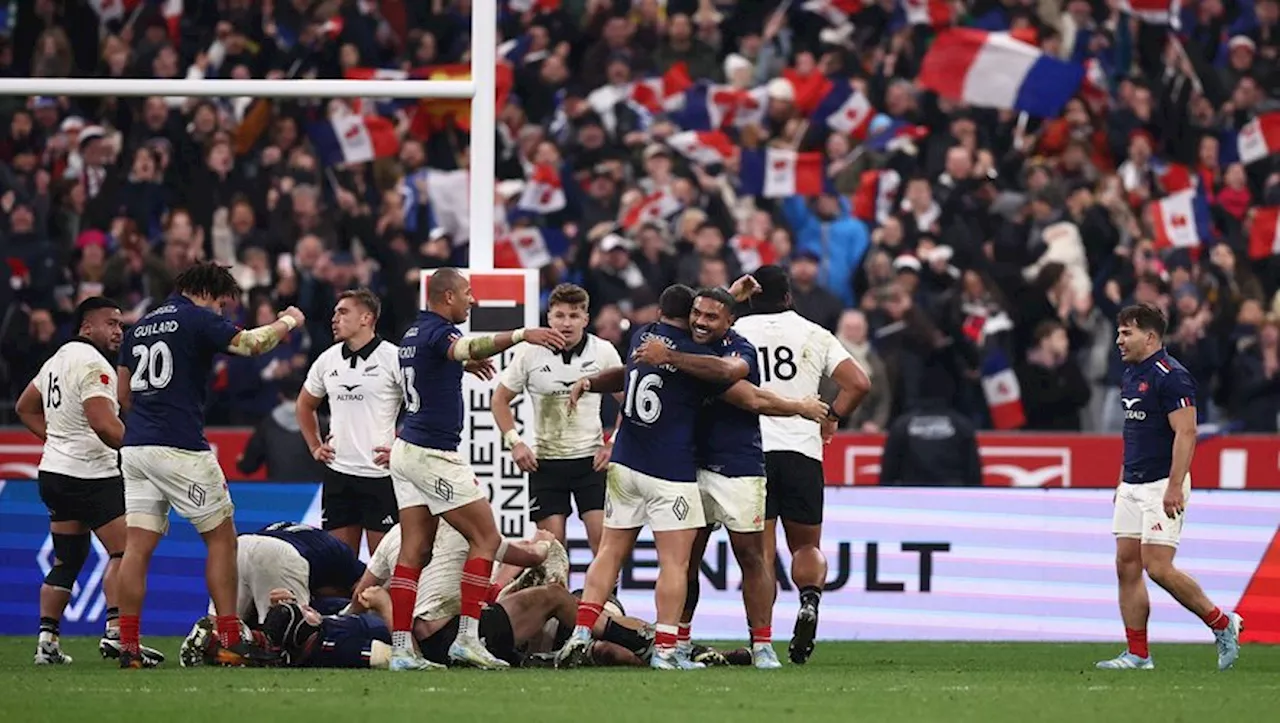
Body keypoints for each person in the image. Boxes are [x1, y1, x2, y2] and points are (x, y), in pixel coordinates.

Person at [557, 285, 829, 670]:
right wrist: (596, 381)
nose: (701, 321)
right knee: (683, 561)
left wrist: (800, 407)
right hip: (683, 469)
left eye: (711, 317)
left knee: (751, 556)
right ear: (688, 314)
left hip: (736, 465)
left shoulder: (722, 348)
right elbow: (641, 364)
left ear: (729, 320)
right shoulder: (684, 345)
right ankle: (674, 643)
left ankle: (761, 644)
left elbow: (745, 391)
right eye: (696, 314)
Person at [114, 261, 303, 668]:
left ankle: (127, 645)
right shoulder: (196, 318)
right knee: (222, 540)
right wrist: (288, 320)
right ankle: (231, 638)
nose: (221, 313)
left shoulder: (140, 327)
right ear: (208, 294)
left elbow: (122, 393)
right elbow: (253, 344)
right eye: (222, 304)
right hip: (179, 446)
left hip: (136, 448)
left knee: (137, 548)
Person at [386, 267, 568, 671]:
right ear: (447, 296)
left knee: (414, 551)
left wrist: (457, 367)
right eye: (468, 294)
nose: (473, 301)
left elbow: (436, 364)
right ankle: (467, 639)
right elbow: (465, 346)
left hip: (405, 451)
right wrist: (523, 334)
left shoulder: (414, 334)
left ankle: (400, 649)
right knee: (485, 537)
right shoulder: (437, 332)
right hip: (432, 453)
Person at [731, 265, 871, 665]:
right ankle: (809, 599)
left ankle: (762, 642)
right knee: (806, 546)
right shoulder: (815, 333)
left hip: (752, 450)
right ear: (789, 297)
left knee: (760, 557)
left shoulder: (738, 331)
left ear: (752, 296)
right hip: (802, 452)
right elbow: (859, 383)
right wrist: (832, 417)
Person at [14, 297, 162, 666]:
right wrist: (137, 449)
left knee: (68, 558)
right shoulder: (95, 363)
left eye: (120, 325)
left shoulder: (57, 359)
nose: (118, 331)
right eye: (111, 323)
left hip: (54, 473)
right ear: (86, 328)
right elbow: (102, 422)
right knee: (127, 551)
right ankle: (116, 632)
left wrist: (58, 441)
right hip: (93, 475)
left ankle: (46, 641)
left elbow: (24, 407)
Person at [1096, 304, 1243, 671]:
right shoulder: (1131, 374)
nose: (1119, 341)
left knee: (1158, 568)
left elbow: (1186, 432)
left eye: (1126, 333)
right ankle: (1138, 654)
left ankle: (1223, 624)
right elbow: (1135, 432)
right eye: (1118, 333)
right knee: (1126, 565)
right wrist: (1122, 477)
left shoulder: (1172, 376)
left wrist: (1175, 485)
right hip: (1132, 482)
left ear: (1149, 336)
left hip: (1163, 483)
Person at [492, 283, 623, 553]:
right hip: (546, 463)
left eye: (574, 316)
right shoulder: (529, 353)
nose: (566, 323)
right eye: (560, 316)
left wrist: (613, 444)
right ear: (548, 318)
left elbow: (630, 403)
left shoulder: (603, 351)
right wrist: (515, 443)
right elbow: (499, 400)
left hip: (591, 463)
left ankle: (605, 597)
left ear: (586, 319)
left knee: (603, 545)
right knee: (551, 550)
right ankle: (556, 596)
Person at [352, 521, 564, 668]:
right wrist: (544, 542)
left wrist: (345, 614)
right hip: (451, 631)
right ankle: (592, 639)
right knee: (555, 593)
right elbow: (532, 557)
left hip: (423, 636)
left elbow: (360, 595)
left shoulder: (396, 534)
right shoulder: (466, 526)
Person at [297, 289, 404, 555]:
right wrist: (314, 446)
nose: (335, 318)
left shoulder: (394, 358)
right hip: (338, 475)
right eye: (334, 313)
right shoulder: (327, 359)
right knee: (338, 568)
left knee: (384, 570)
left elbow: (422, 405)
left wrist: (403, 449)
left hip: (380, 476)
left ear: (366, 318)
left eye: (343, 312)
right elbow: (304, 404)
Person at [214, 522, 365, 627]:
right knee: (292, 631)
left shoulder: (321, 544)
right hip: (279, 554)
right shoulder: (346, 559)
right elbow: (363, 591)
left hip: (241, 545)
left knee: (222, 626)